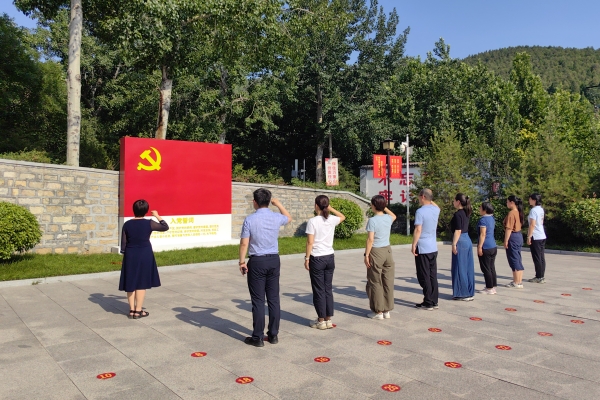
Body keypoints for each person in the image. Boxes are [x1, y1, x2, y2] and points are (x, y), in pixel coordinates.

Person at [239, 189, 292, 347]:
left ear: (255, 202)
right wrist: (279, 204)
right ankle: (273, 335)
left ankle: (258, 337)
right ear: (269, 202)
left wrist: (242, 262)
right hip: (274, 260)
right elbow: (289, 218)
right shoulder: (276, 217)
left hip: (257, 261)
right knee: (274, 299)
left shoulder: (250, 219)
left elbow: (244, 243)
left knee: (258, 301)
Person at [119, 199, 169, 319]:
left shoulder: (127, 224)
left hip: (130, 253)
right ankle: (138, 311)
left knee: (130, 281)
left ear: (133, 210)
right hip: (144, 254)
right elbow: (165, 227)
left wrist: (126, 254)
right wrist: (157, 215)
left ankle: (132, 310)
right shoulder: (149, 223)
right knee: (141, 282)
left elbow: (123, 244)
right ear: (146, 211)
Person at [304, 195, 346, 329]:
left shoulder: (313, 221)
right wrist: (330, 208)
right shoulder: (332, 219)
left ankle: (321, 320)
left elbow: (310, 242)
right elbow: (342, 216)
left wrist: (307, 258)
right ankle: (328, 319)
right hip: (329, 257)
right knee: (328, 288)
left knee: (319, 290)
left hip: (317, 258)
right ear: (327, 206)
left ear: (316, 205)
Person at [364, 195, 396, 320]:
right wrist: (384, 207)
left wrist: (367, 255)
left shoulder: (372, 220)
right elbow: (394, 215)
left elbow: (370, 240)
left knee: (375, 281)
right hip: (388, 251)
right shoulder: (388, 218)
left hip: (376, 251)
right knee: (388, 281)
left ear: (373, 205)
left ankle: (378, 311)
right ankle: (387, 310)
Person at [411, 189, 441, 311]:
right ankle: (434, 300)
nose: (418, 198)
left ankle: (428, 301)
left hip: (423, 246)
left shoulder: (420, 211)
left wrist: (414, 244)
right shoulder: (435, 210)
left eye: (419, 196)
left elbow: (418, 229)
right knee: (432, 275)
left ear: (422, 196)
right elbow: (436, 206)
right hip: (433, 247)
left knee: (424, 275)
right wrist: (429, 198)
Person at [450, 193, 475, 301]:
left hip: (460, 240)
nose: (453, 202)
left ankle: (462, 293)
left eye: (454, 200)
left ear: (458, 202)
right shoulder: (467, 212)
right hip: (467, 239)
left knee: (459, 267)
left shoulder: (458, 214)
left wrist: (454, 244)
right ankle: (469, 291)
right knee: (467, 267)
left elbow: (458, 230)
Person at [476, 202, 498, 294]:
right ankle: (493, 286)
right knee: (491, 267)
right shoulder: (492, 218)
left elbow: (483, 234)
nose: (479, 209)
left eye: (480, 207)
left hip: (486, 246)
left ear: (485, 210)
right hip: (493, 245)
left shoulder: (483, 220)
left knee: (486, 268)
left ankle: (489, 288)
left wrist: (480, 246)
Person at [504, 195, 524, 288]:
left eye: (507, 202)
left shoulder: (512, 213)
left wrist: (506, 240)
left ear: (512, 203)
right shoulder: (518, 212)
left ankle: (516, 282)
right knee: (518, 258)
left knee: (513, 259)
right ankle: (518, 281)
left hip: (513, 236)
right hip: (518, 236)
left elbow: (509, 228)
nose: (507, 203)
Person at [527, 193, 547, 284]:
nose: (529, 200)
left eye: (530, 199)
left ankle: (539, 277)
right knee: (541, 257)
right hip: (542, 234)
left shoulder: (533, 210)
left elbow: (532, 224)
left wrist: (529, 236)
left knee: (537, 257)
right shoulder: (541, 209)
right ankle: (541, 276)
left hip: (536, 236)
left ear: (534, 200)